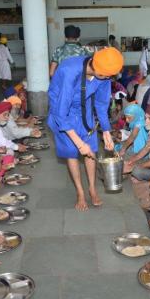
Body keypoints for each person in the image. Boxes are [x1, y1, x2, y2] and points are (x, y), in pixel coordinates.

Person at [47, 48, 123, 211]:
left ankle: (92, 189)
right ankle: (80, 193)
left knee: (92, 150)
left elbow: (101, 105)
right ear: (97, 69)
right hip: (62, 113)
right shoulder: (70, 71)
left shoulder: (104, 76)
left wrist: (106, 131)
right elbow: (61, 113)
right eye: (107, 76)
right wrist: (79, 143)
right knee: (72, 152)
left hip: (84, 108)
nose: (108, 79)